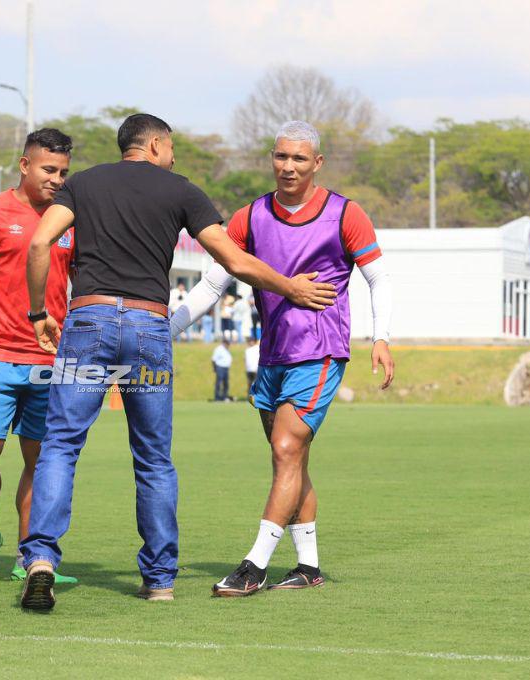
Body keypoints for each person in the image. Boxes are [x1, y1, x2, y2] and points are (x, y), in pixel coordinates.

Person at [18, 113, 337, 611]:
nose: (174, 156)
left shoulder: (81, 184)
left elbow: (40, 242)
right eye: (172, 148)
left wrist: (39, 311)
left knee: (60, 445)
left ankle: (40, 561)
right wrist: (291, 286)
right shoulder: (180, 190)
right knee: (152, 458)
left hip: (88, 320)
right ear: (157, 145)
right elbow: (232, 260)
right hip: (147, 327)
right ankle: (160, 579)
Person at [170, 121, 394, 596]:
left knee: (286, 450)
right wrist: (168, 329)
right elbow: (214, 283)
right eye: (281, 157)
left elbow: (379, 278)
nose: (288, 166)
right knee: (291, 460)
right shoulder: (249, 216)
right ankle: (309, 566)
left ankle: (255, 564)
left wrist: (381, 337)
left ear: (317, 163)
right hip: (272, 353)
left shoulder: (345, 214)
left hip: (321, 350)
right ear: (272, 159)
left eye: (299, 158)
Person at [0, 128, 78, 585]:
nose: (57, 179)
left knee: (41, 460)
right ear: (24, 165)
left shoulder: (70, 218)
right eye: (49, 169)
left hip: (50, 361)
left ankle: (32, 558)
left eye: (64, 172)